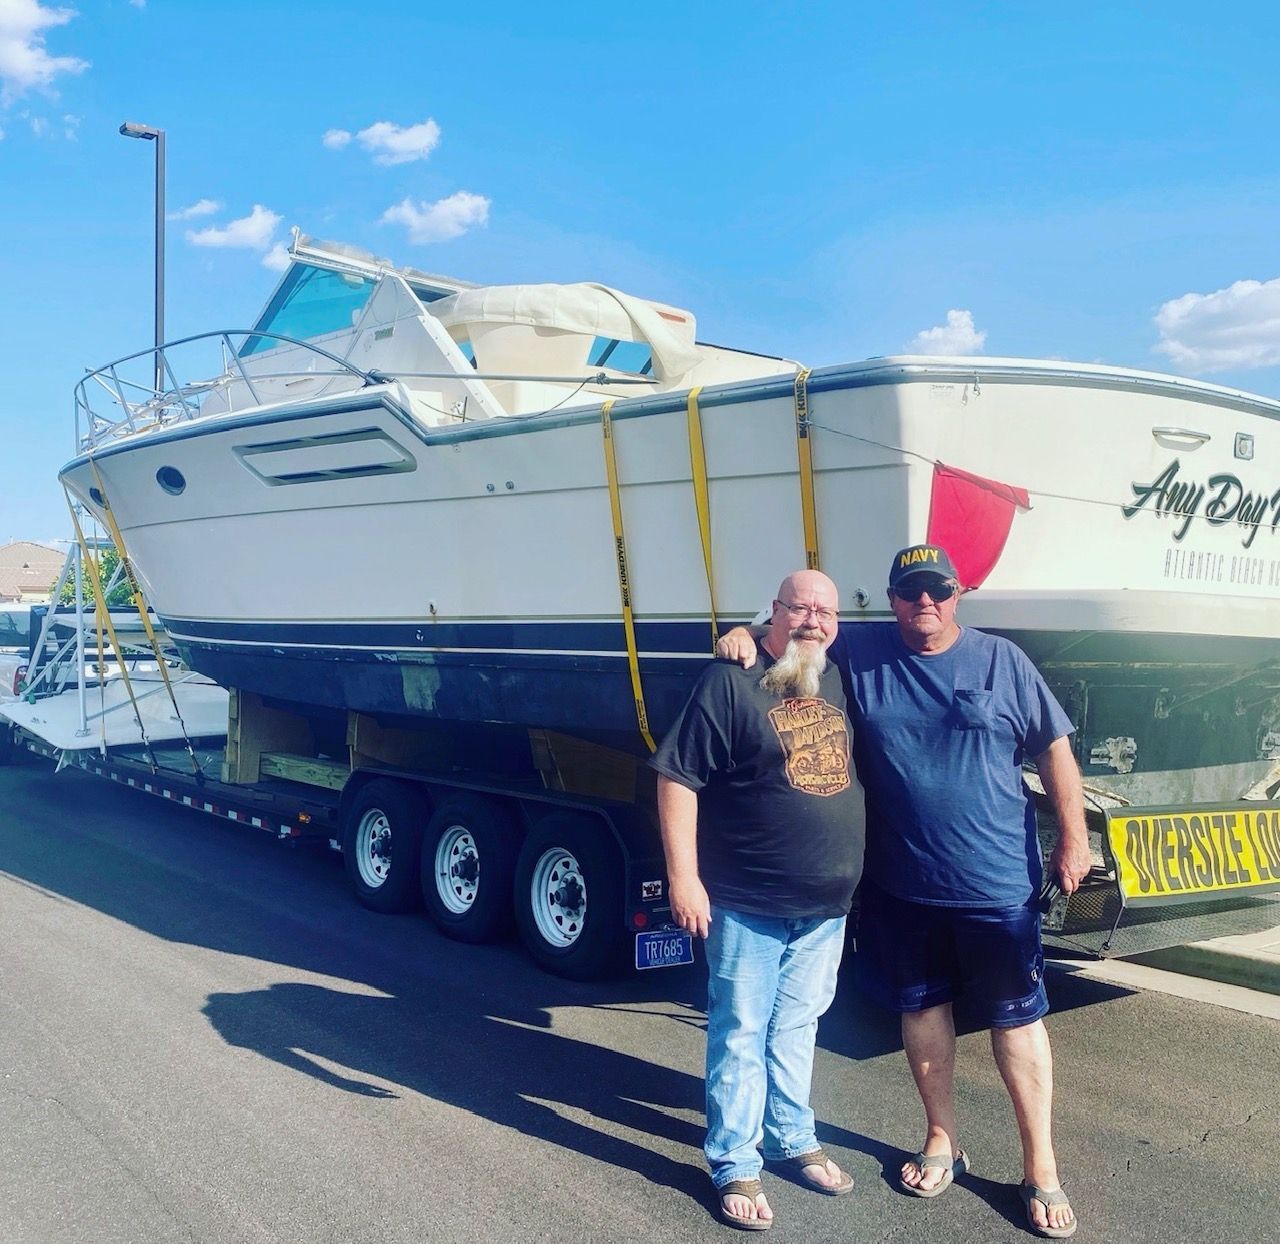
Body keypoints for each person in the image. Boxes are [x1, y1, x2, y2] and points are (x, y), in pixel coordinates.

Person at [717, 544, 1091, 1240]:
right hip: (902, 886)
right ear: (890, 599)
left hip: (996, 885)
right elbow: (800, 626)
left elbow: (1054, 749)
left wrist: (1074, 836)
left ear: (957, 594)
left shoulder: (1001, 660)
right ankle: (940, 1140)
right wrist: (740, 633)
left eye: (938, 591)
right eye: (910, 591)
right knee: (924, 1013)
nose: (926, 603)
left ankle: (1041, 1168)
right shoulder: (863, 653)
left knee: (1017, 1022)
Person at [652, 569, 865, 1231]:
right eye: (798, 607)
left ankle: (792, 1136)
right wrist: (684, 878)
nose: (812, 620)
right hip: (747, 899)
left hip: (826, 905)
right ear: (772, 612)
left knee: (799, 1027)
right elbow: (677, 778)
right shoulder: (730, 680)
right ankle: (734, 1160)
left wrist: (746, 629)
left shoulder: (837, 674)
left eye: (824, 610)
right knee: (741, 1032)